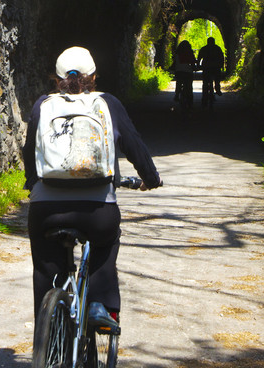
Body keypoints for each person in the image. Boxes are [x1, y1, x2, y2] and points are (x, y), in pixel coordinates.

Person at [22, 46, 162, 323]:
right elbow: (133, 145)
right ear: (94, 77)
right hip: (98, 210)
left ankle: (48, 324)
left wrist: (32, 185)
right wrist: (151, 178)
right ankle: (101, 305)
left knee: (45, 268)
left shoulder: (43, 106)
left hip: (46, 209)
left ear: (56, 78)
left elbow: (30, 152)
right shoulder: (107, 103)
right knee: (104, 246)